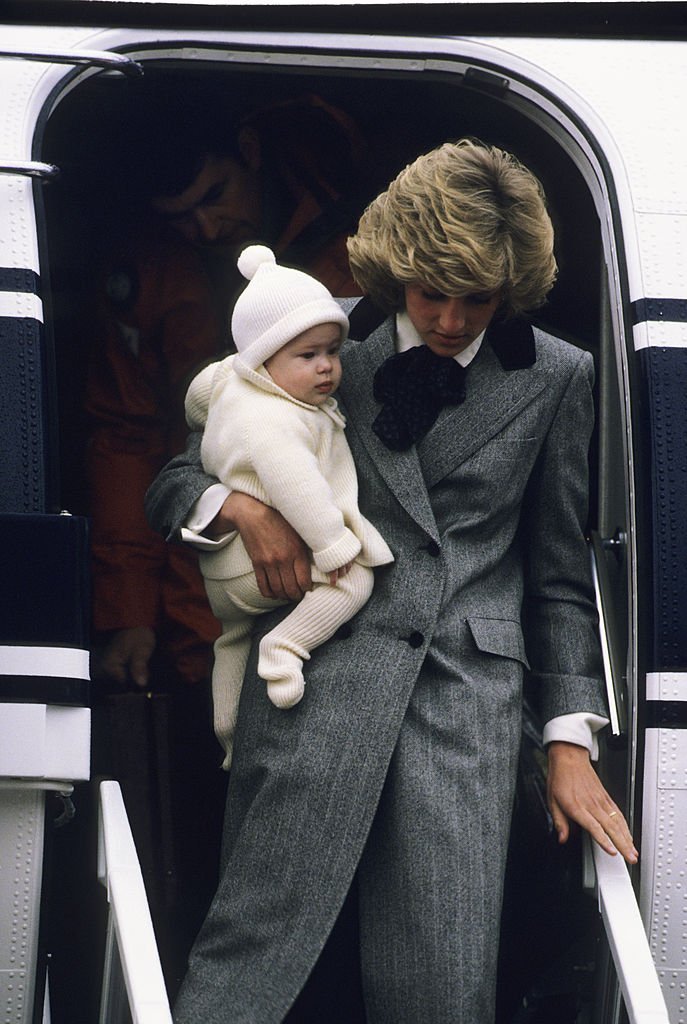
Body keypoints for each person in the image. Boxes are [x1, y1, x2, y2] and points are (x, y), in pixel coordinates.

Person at [145, 138, 638, 1023]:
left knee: (438, 988)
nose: (450, 319)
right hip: (309, 687)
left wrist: (568, 739)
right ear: (392, 272)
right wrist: (237, 508)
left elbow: (558, 574)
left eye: (476, 299)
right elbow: (172, 481)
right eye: (428, 293)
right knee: (255, 974)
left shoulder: (559, 375)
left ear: (512, 286)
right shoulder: (310, 334)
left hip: (463, 711)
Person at [83, 84, 369, 999]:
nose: (204, 229)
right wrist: (124, 610)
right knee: (226, 861)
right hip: (201, 603)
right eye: (181, 216)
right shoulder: (148, 273)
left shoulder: (362, 240)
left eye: (212, 198)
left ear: (249, 145)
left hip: (357, 611)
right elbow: (129, 442)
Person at [184, 244, 393, 768]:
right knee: (354, 581)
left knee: (231, 641)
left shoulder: (232, 385)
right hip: (255, 563)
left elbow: (201, 395)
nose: (326, 368)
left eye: (332, 352)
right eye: (307, 356)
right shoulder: (275, 419)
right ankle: (286, 650)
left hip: (223, 574)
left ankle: (227, 733)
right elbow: (295, 482)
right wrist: (333, 543)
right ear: (263, 358)